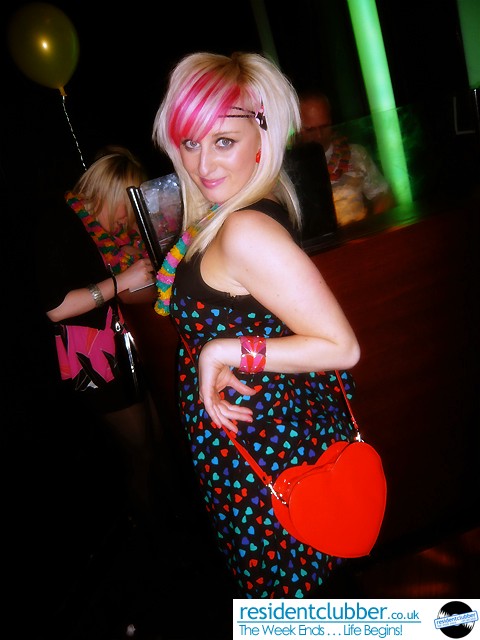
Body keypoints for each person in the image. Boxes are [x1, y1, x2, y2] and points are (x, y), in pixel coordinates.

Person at [151, 51, 361, 598]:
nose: (202, 163)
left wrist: (221, 351)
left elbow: (341, 347)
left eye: (224, 141)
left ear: (262, 138)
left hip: (264, 448)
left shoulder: (246, 229)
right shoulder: (228, 214)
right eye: (190, 142)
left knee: (285, 597)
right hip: (248, 437)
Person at [36, 147, 163, 522]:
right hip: (91, 361)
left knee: (157, 438)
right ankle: (149, 529)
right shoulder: (61, 224)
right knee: (141, 450)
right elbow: (56, 307)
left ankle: (163, 520)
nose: (129, 217)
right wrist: (123, 280)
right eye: (127, 204)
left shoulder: (108, 232)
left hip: (125, 350)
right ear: (111, 190)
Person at [298, 90, 395, 226]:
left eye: (324, 127)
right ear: (297, 127)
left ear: (331, 121)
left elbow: (383, 195)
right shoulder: (290, 166)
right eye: (310, 129)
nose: (319, 135)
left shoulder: (356, 154)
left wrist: (371, 226)